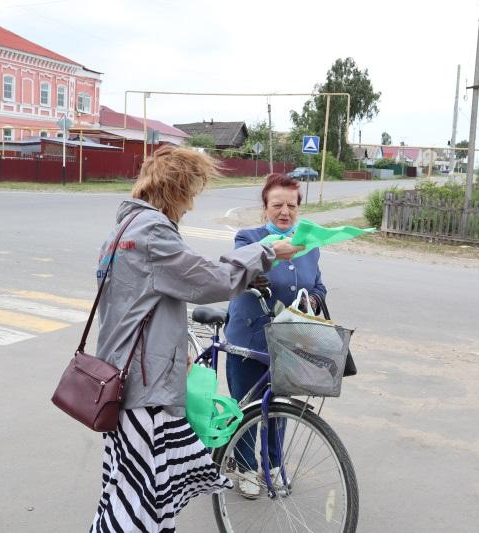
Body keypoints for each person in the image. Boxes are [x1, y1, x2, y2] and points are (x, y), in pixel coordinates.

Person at [90, 147, 301, 532]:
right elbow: (210, 281)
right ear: (174, 190)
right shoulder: (152, 232)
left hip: (123, 380)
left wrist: (173, 351)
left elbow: (133, 306)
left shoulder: (121, 231)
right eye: (190, 193)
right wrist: (266, 251)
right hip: (144, 391)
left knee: (131, 491)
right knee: (141, 501)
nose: (189, 206)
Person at [224, 173, 327, 499]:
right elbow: (240, 269)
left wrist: (312, 299)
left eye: (291, 206)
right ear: (265, 207)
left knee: (278, 409)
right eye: (277, 205)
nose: (285, 212)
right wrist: (256, 277)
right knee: (247, 408)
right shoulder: (248, 238)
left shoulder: (308, 245)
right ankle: (243, 468)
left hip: (288, 341)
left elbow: (318, 286)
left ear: (299, 209)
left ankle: (272, 465)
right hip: (249, 339)